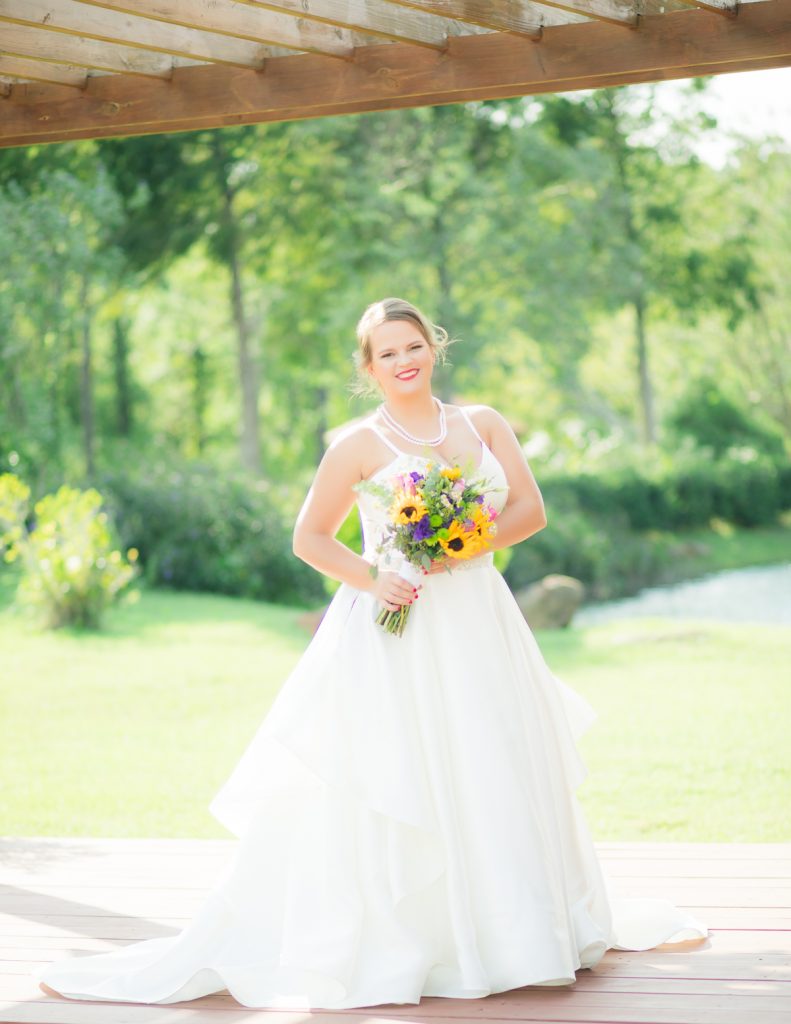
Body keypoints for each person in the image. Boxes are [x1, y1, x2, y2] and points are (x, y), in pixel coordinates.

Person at [35, 297, 707, 1010]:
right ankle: (415, 938)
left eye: (412, 344)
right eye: (386, 352)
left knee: (491, 759)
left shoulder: (481, 423)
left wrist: (455, 546)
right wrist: (375, 577)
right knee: (402, 772)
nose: (403, 359)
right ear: (369, 367)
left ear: (432, 346)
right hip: (398, 627)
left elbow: (528, 513)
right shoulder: (357, 444)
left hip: (478, 618)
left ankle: (517, 932)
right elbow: (310, 538)